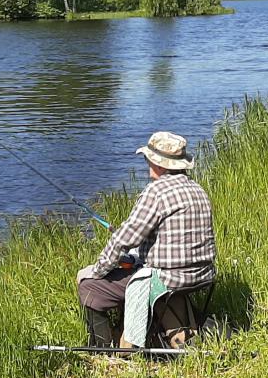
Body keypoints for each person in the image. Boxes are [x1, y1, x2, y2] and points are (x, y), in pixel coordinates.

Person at [76, 131, 216, 347]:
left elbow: (123, 239)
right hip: (202, 275)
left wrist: (97, 270)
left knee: (89, 286)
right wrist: (135, 256)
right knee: (127, 267)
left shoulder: (156, 192)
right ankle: (150, 331)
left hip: (169, 280)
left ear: (157, 164)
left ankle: (102, 349)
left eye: (147, 159)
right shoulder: (197, 189)